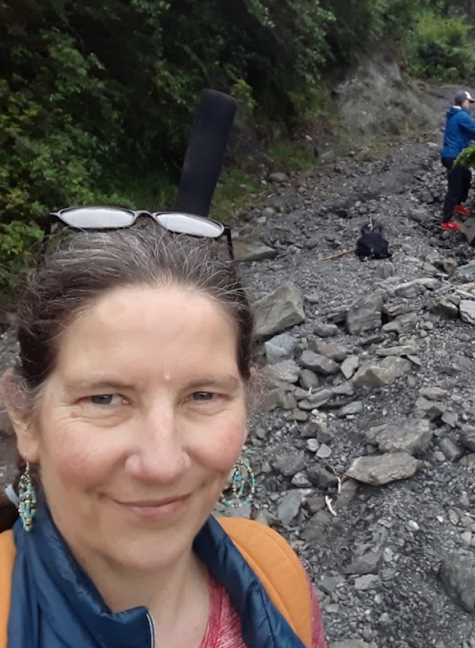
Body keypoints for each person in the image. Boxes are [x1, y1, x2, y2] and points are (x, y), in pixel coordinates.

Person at [0, 212, 327, 647]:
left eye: (203, 396)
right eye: (104, 398)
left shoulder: (274, 569)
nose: (162, 464)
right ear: (25, 417)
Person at [440, 90, 475, 231]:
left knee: (466, 176)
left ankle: (458, 205)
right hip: (454, 156)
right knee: (454, 188)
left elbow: (469, 132)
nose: (470, 105)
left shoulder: (455, 115)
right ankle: (446, 221)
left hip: (453, 155)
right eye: (469, 102)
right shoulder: (461, 116)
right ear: (463, 101)